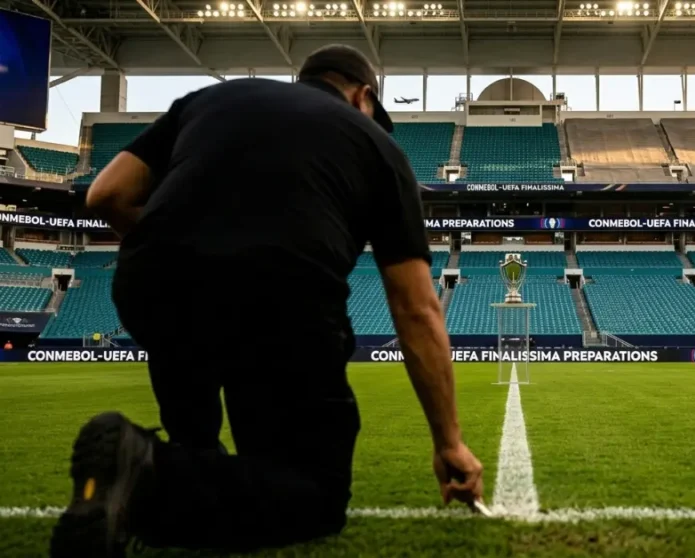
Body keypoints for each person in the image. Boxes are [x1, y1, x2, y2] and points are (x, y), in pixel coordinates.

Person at [50, 44, 483, 557]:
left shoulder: (211, 99)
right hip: (281, 299)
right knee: (311, 497)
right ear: (363, 96)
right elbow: (415, 309)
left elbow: (106, 195)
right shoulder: (377, 147)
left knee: (198, 451)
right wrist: (448, 441)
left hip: (153, 283)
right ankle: (146, 467)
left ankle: (151, 478)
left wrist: (182, 251)